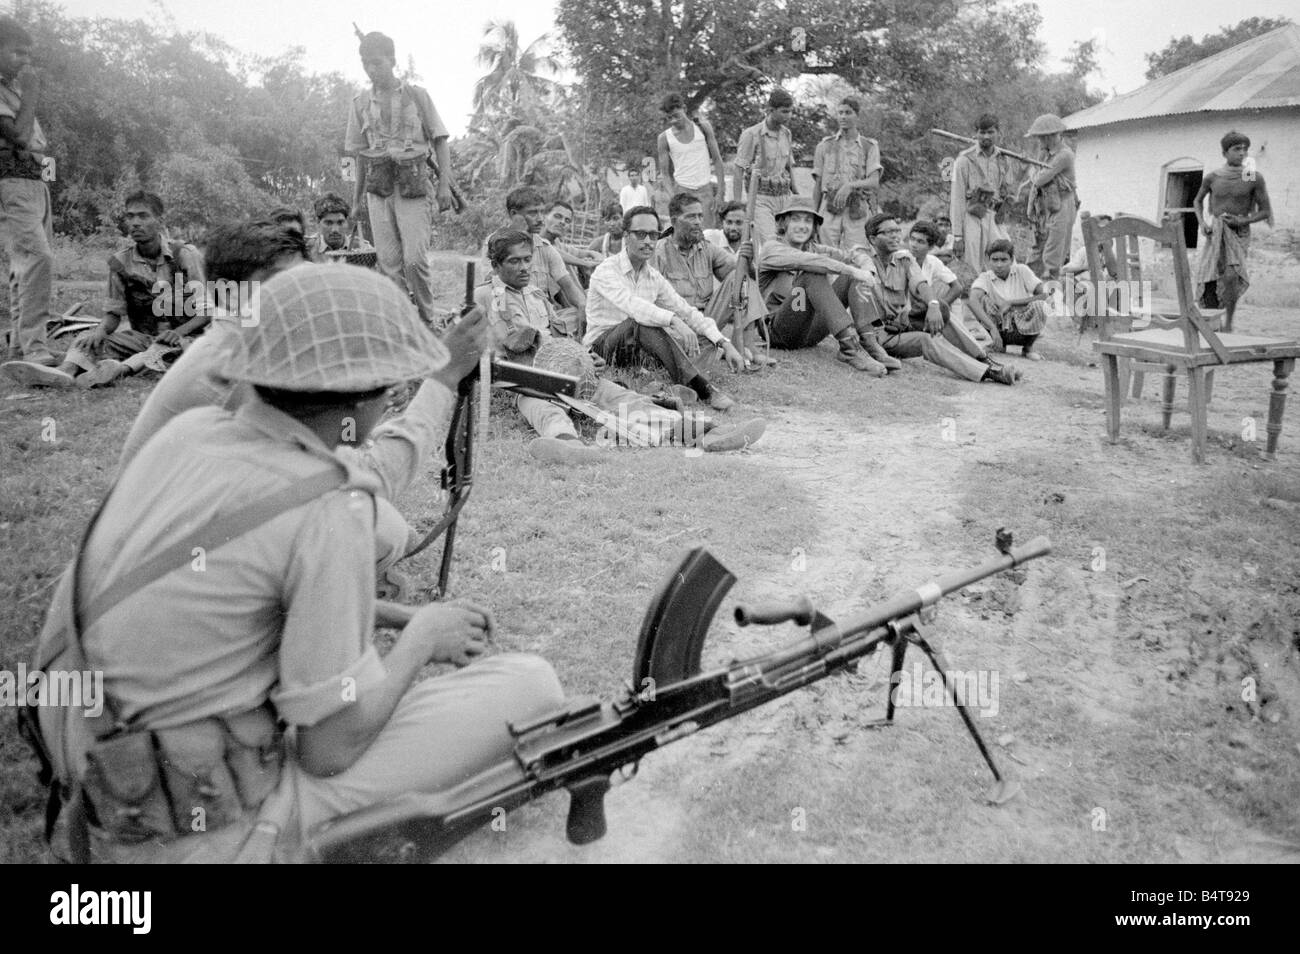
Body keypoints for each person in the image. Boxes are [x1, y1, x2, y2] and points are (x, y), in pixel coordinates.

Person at [30, 263, 566, 863]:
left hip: (91, 785)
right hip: (189, 837)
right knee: (529, 686)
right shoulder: (326, 506)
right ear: (373, 395)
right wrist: (419, 637)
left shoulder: (190, 435)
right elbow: (328, 748)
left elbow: (237, 604)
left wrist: (385, 614)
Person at [3, 191, 209, 389]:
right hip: (141, 338)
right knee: (87, 341)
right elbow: (113, 314)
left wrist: (178, 332)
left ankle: (116, 370)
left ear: (160, 221)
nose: (135, 222)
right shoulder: (120, 262)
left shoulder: (184, 254)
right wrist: (99, 331)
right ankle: (65, 372)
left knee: (174, 355)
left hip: (184, 338)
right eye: (130, 217)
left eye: (143, 216)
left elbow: (206, 312)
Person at [585, 205, 745, 411]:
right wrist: (674, 321)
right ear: (626, 236)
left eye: (653, 235)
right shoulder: (606, 270)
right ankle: (704, 388)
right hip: (602, 350)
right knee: (641, 323)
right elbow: (634, 307)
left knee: (702, 335)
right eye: (640, 234)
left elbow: (686, 311)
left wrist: (724, 343)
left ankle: (671, 384)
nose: (648, 241)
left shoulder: (652, 276)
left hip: (636, 355)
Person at [344, 30, 451, 323]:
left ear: (392, 60)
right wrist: (355, 203)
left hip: (414, 187)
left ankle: (428, 323)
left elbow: (440, 140)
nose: (371, 69)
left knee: (414, 260)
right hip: (378, 191)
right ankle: (405, 327)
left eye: (376, 62)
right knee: (389, 264)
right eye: (366, 63)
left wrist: (444, 186)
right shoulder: (360, 102)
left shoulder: (417, 96)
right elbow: (359, 156)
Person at [475, 229, 603, 465]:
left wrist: (584, 357)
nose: (524, 267)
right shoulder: (483, 297)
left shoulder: (536, 295)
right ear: (496, 265)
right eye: (514, 261)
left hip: (561, 371)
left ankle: (673, 421)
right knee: (543, 408)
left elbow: (560, 338)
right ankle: (567, 445)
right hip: (521, 380)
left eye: (527, 259)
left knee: (610, 393)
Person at [855, 213, 1017, 385]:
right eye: (888, 233)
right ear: (873, 239)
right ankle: (989, 372)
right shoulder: (863, 256)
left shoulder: (904, 259)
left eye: (896, 231)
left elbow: (921, 283)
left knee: (940, 309)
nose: (895, 236)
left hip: (902, 323)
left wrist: (933, 305)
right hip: (882, 335)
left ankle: (985, 359)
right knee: (928, 340)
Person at [754, 198, 886, 375]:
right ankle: (849, 349)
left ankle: (870, 342)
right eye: (796, 219)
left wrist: (867, 269)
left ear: (815, 226)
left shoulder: (814, 248)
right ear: (783, 223)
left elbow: (853, 255)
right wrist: (853, 271)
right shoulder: (772, 248)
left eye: (808, 220)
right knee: (814, 272)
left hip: (809, 331)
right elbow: (807, 261)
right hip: (778, 330)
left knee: (852, 275)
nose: (802, 226)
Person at [655, 192, 770, 368]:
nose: (698, 221)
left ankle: (748, 346)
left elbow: (739, 277)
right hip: (676, 326)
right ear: (674, 221)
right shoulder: (659, 252)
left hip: (707, 321)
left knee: (741, 279)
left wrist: (748, 260)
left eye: (700, 216)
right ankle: (716, 348)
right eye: (691, 216)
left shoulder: (707, 249)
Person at [0, 16, 55, 366]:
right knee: (38, 258)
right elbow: (18, 136)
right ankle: (35, 347)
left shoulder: (13, 89)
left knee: (25, 264)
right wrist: (33, 92)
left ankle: (20, 348)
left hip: (34, 180)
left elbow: (33, 144)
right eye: (17, 52)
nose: (24, 60)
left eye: (27, 53)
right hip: (13, 180)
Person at [1193, 131, 1271, 332]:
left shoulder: (1252, 177)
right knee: (1209, 276)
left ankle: (1228, 322)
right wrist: (1202, 222)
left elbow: (1265, 211)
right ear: (1224, 152)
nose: (1242, 153)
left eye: (1245, 149)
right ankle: (1212, 324)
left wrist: (1242, 220)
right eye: (1237, 149)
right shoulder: (1212, 177)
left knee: (1231, 276)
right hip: (1216, 232)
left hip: (1238, 233)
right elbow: (1197, 201)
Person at [486, 186, 586, 337]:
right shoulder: (495, 243)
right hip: (510, 314)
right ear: (514, 214)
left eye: (541, 212)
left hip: (541, 315)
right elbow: (493, 288)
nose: (540, 219)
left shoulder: (545, 247)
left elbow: (569, 287)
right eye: (533, 213)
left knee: (585, 311)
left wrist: (582, 307)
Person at [811, 96, 881, 252]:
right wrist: (813, 217)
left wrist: (850, 185)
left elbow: (874, 181)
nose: (843, 116)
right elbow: (817, 186)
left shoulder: (868, 146)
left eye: (848, 112)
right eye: (840, 112)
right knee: (826, 255)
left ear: (857, 116)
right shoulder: (825, 145)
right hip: (829, 208)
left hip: (857, 208)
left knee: (858, 254)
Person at [948, 113, 1012, 276]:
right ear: (975, 134)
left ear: (999, 133)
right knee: (972, 266)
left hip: (994, 217)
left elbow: (1007, 191)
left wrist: (1003, 212)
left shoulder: (1004, 159)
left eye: (990, 132)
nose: (986, 136)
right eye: (982, 132)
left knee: (1003, 261)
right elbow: (957, 199)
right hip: (972, 217)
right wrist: (957, 236)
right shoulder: (964, 160)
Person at [967, 239, 1050, 361]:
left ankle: (1028, 348)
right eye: (994, 260)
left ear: (1011, 260)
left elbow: (1045, 295)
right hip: (1000, 328)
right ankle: (999, 345)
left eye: (1004, 260)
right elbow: (972, 300)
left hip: (1024, 326)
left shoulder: (1022, 270)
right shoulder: (985, 277)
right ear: (988, 260)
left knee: (1041, 305)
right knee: (982, 300)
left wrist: (1011, 303)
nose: (999, 264)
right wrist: (992, 328)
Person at [734, 89, 797, 243]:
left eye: (790, 111)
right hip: (761, 198)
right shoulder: (752, 134)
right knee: (769, 243)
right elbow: (739, 169)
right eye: (784, 111)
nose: (788, 116)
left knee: (788, 242)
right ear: (770, 110)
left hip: (783, 197)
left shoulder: (786, 134)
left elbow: (788, 165)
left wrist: (795, 192)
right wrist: (737, 205)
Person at [656, 93, 726, 228]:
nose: (673, 121)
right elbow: (664, 173)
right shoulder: (664, 138)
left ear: (684, 108)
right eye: (669, 118)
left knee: (707, 235)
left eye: (676, 115)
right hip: (682, 190)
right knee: (686, 235)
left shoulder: (703, 128)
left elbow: (717, 160)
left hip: (705, 190)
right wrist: (673, 198)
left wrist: (720, 193)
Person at [1023, 113, 1077, 281]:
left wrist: (1032, 170)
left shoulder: (1064, 155)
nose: (1039, 142)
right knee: (1038, 245)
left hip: (1062, 204)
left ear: (1050, 137)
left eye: (1040, 138)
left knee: (1054, 251)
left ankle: (1050, 290)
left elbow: (1039, 179)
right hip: (1046, 204)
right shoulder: (1045, 153)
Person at [540, 199, 602, 285]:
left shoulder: (557, 243)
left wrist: (593, 254)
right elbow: (550, 250)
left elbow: (578, 252)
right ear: (543, 217)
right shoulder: (534, 241)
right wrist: (584, 263)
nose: (562, 222)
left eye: (567, 220)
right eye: (557, 216)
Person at [311, 191, 373, 260]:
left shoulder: (364, 249)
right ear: (318, 222)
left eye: (340, 223)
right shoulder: (306, 249)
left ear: (347, 222)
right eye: (328, 223)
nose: (335, 230)